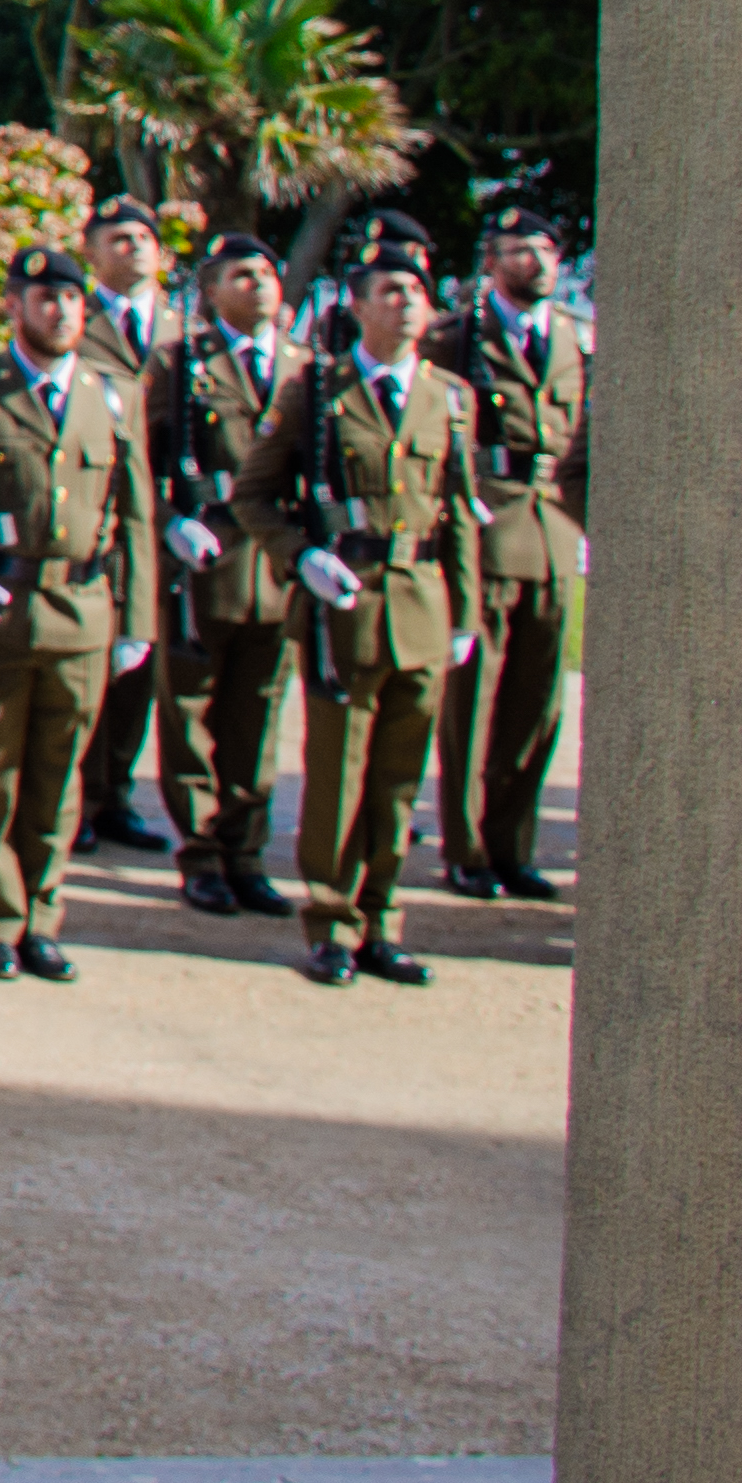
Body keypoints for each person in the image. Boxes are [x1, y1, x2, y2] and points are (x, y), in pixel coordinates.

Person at [0, 248, 158, 983]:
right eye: (43, 298)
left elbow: (137, 514)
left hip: (82, 610)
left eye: (71, 299)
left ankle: (41, 917)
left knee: (59, 775)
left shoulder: (113, 395)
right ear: (15, 307)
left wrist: (136, 620)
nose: (60, 311)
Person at [260, 248, 483, 985]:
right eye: (391, 290)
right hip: (344, 609)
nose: (408, 302)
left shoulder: (449, 396)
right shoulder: (317, 391)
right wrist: (301, 558)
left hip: (420, 601)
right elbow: (254, 495)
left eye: (417, 290)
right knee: (339, 777)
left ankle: (382, 919)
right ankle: (331, 919)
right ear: (358, 305)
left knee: (397, 780)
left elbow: (460, 514)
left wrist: (465, 612)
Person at [430, 200, 590, 901]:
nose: (540, 261)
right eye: (522, 250)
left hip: (555, 530)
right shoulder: (455, 338)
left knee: (537, 704)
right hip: (487, 526)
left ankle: (512, 845)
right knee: (474, 700)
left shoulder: (574, 342)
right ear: (491, 264)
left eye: (548, 249)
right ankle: (465, 846)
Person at [146, 229, 302, 919]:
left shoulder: (307, 369)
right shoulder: (181, 364)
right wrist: (168, 523)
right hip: (205, 560)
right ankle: (203, 854)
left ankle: (247, 852)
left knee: (258, 718)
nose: (259, 283)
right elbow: (141, 464)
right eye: (241, 274)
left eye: (266, 271)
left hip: (279, 567)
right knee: (190, 715)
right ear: (209, 293)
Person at [66, 194, 187, 853]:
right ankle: (76, 798)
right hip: (98, 511)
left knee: (140, 661)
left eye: (143, 236)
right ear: (92, 252)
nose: (132, 246)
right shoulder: (70, 318)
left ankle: (115, 794)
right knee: (89, 666)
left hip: (167, 519)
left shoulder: (185, 325)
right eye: (116, 237)